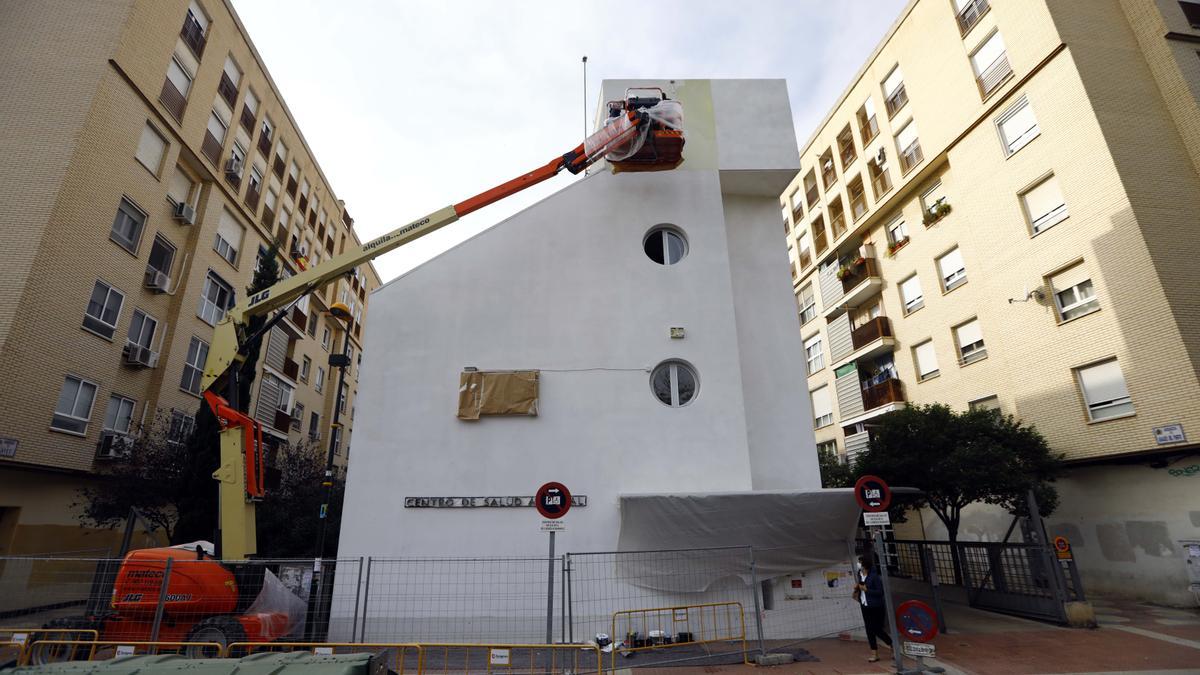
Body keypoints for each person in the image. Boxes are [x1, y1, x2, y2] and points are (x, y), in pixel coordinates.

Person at [855, 555, 893, 662]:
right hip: (865, 605)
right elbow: (861, 586)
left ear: (865, 564)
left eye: (860, 562)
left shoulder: (874, 577)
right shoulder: (860, 574)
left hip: (876, 606)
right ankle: (874, 653)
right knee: (869, 630)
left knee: (876, 628)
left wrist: (867, 590)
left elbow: (880, 592)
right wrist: (857, 588)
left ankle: (891, 643)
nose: (858, 564)